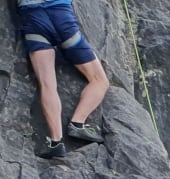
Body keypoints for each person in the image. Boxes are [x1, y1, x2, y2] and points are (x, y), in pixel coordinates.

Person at [15, 0, 109, 159]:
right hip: (60, 14)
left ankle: (56, 142)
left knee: (47, 85)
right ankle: (77, 122)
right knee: (99, 80)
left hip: (32, 17)